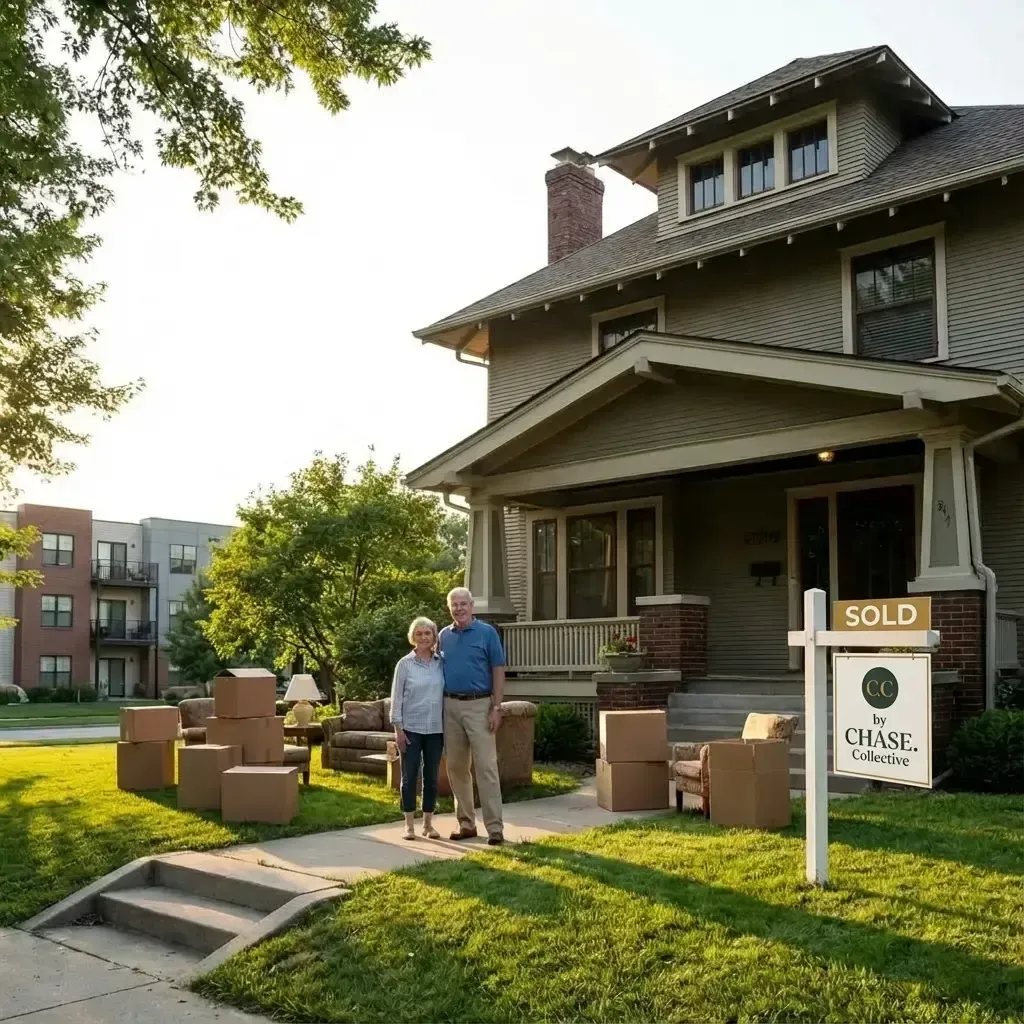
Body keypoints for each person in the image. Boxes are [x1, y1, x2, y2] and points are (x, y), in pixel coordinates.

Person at [438, 587, 506, 845]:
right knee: (456, 767)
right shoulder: (444, 636)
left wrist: (497, 707)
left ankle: (495, 828)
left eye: (463, 604)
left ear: (472, 606)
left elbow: (498, 670)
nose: (459, 609)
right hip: (450, 706)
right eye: (454, 605)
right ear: (450, 608)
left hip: (480, 705)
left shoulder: (487, 633)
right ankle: (466, 824)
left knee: (486, 767)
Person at [390, 616, 446, 840]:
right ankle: (409, 825)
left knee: (432, 777)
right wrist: (398, 729)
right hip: (410, 729)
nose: (423, 637)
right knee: (409, 776)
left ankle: (428, 824)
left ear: (434, 637)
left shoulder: (441, 662)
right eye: (419, 633)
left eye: (428, 633)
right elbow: (396, 699)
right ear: (412, 637)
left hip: (435, 729)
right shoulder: (404, 664)